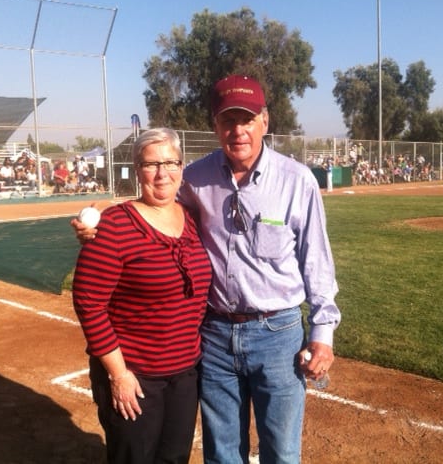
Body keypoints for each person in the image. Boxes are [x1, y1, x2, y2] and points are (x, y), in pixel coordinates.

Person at [74, 75, 341, 464]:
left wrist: (323, 333)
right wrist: (99, 213)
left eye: (247, 119)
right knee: (221, 453)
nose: (238, 131)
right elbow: (152, 197)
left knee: (281, 451)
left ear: (265, 121)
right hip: (214, 338)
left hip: (277, 334)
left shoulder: (296, 181)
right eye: (227, 120)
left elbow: (316, 261)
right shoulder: (195, 178)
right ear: (215, 126)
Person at [72, 128, 213, 464]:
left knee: (175, 457)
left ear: (182, 167)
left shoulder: (193, 218)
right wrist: (118, 375)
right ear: (137, 170)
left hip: (184, 372)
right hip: (134, 375)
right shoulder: (114, 227)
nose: (162, 173)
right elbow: (88, 303)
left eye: (170, 163)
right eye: (151, 165)